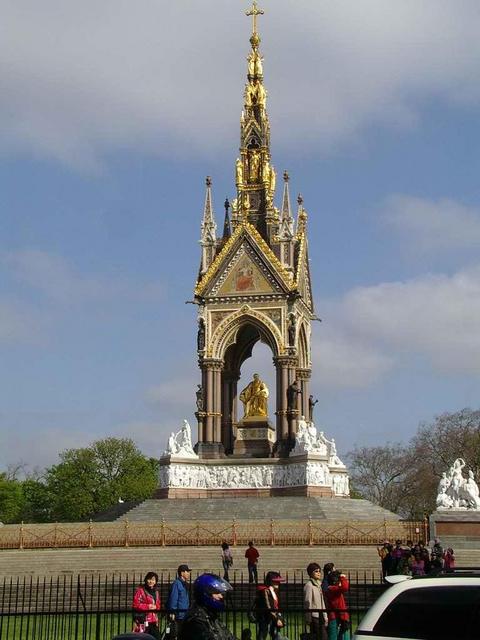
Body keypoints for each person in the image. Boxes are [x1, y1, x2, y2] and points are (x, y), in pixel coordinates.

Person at [179, 573, 236, 640]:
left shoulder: (211, 616)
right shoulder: (196, 621)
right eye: (217, 593)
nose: (221, 596)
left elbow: (227, 636)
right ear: (206, 594)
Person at [254, 571, 285, 640]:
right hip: (265, 617)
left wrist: (279, 617)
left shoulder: (275, 591)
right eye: (276, 581)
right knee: (263, 634)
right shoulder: (265, 591)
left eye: (278, 581)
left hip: (273, 617)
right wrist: (276, 619)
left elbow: (276, 606)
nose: (278, 583)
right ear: (270, 581)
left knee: (275, 635)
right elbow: (268, 606)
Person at [132, 572, 161, 638]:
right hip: (144, 620)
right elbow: (135, 605)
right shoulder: (140, 591)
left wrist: (156, 607)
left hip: (154, 620)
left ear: (156, 581)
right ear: (146, 580)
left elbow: (158, 604)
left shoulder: (156, 592)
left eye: (153, 580)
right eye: (149, 579)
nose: (151, 581)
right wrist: (148, 606)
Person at [303, 562, 328, 640]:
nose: (318, 573)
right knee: (323, 637)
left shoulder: (319, 585)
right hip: (314, 616)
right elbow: (308, 602)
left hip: (321, 616)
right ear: (311, 573)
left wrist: (325, 616)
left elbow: (322, 602)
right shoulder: (309, 585)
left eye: (319, 571)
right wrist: (308, 619)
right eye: (316, 571)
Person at [167, 564, 192, 637]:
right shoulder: (177, 584)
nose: (188, 573)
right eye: (187, 571)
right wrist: (172, 612)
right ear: (182, 573)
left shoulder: (184, 584)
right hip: (178, 615)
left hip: (184, 614)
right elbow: (173, 598)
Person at [324, 570, 350, 640]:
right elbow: (345, 587)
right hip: (337, 617)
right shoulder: (332, 589)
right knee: (338, 636)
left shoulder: (332, 589)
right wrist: (343, 578)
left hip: (338, 616)